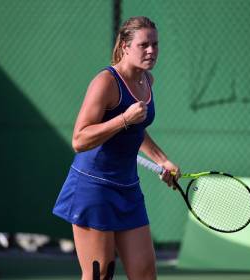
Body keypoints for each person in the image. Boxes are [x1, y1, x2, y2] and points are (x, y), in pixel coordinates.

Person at [53, 16, 180, 280]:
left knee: (145, 274)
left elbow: (136, 130)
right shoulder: (106, 82)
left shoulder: (147, 81)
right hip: (93, 187)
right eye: (144, 45)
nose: (151, 51)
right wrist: (123, 119)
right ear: (125, 45)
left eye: (155, 44)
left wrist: (163, 160)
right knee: (100, 274)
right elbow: (80, 139)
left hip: (128, 189)